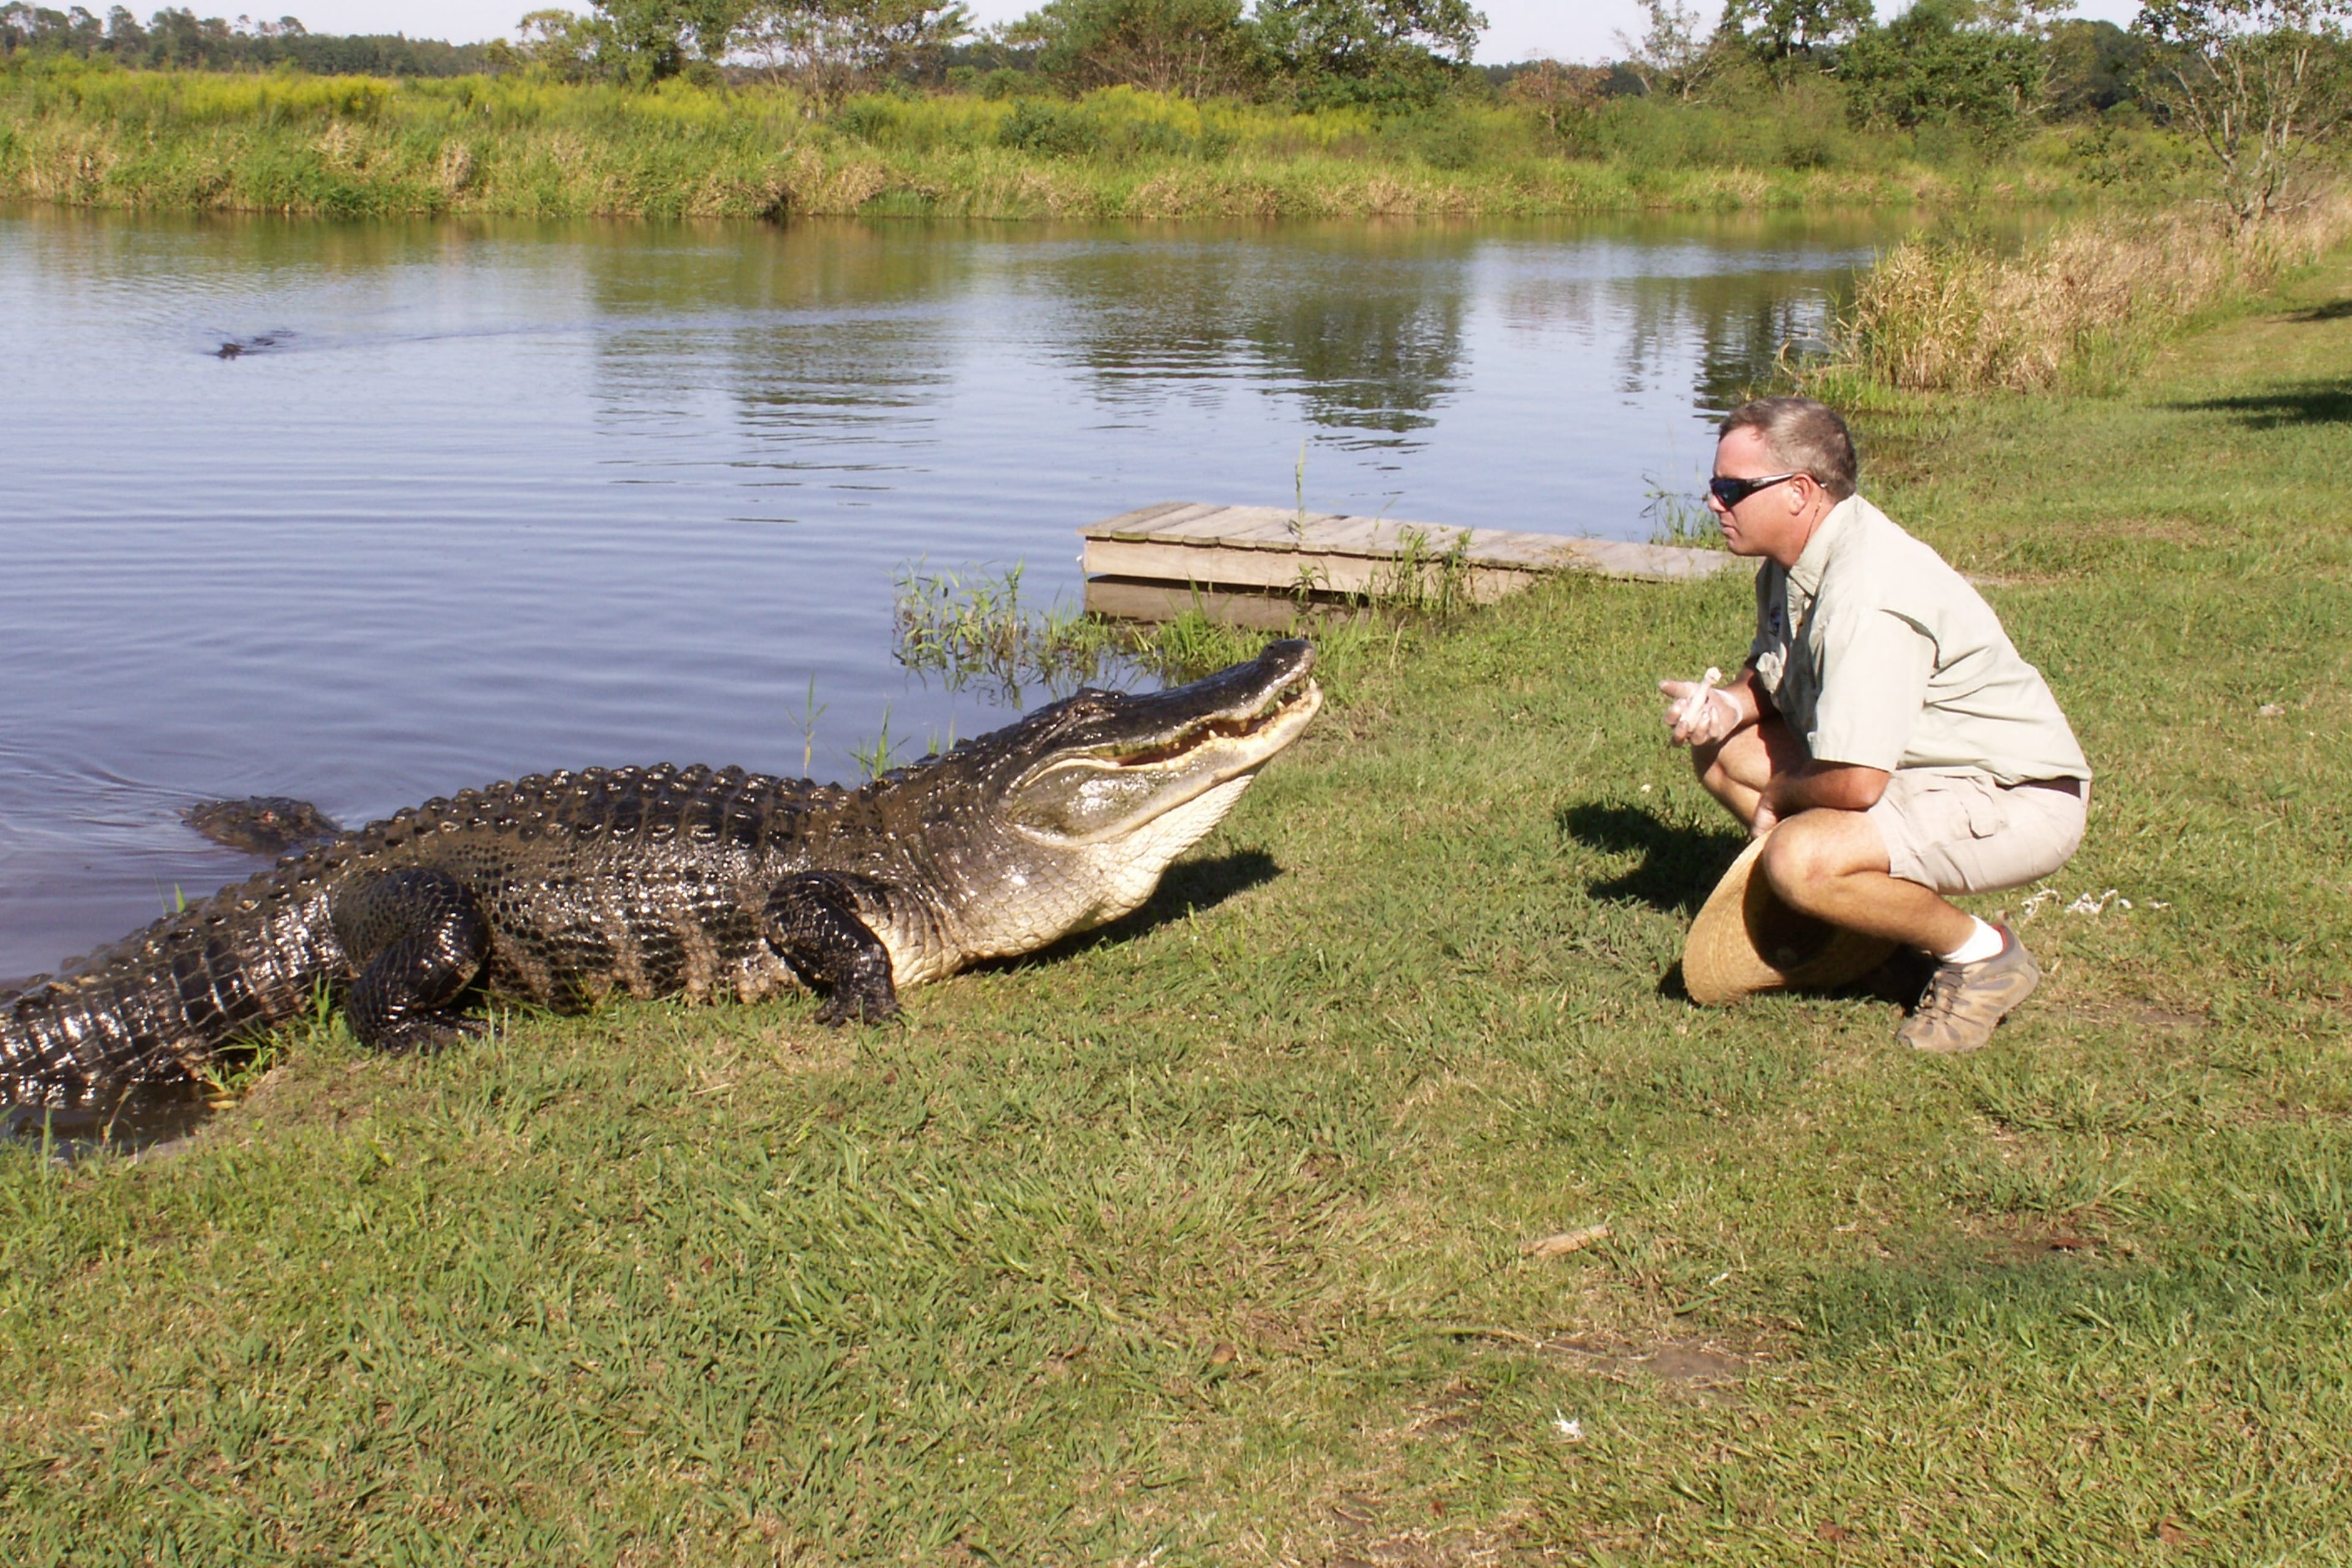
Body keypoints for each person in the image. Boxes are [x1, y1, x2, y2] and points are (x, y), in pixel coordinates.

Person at [1660, 396, 2091, 1052]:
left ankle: (1983, 956)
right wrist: (1730, 707)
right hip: (1918, 773)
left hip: (2014, 794)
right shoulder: (1795, 559)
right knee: (1721, 747)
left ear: (1800, 492)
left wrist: (1781, 800)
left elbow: (1856, 782)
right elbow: (1774, 673)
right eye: (1713, 486)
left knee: (1801, 858)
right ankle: (1869, 931)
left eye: (1730, 489)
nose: (1713, 502)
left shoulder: (1867, 594)